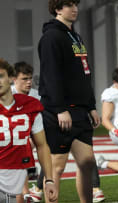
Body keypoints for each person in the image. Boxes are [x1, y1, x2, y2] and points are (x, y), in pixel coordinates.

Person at [38, 0, 101, 202]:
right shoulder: (51, 37)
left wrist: (90, 106)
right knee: (56, 166)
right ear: (57, 9)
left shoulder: (74, 36)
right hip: (60, 111)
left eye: (75, 4)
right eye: (68, 5)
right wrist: (59, 109)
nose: (74, 8)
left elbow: (85, 74)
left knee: (87, 161)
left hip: (80, 111)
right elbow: (51, 75)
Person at [0, 58, 58, 203]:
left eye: (1, 76)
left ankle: (28, 192)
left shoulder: (32, 104)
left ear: (9, 77)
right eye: (24, 78)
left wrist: (49, 180)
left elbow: (42, 145)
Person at [11, 61, 44, 202]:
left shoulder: (37, 96)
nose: (29, 82)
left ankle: (26, 193)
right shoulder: (6, 95)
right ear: (14, 79)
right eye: (24, 79)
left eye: (30, 78)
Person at [96, 68, 118, 173]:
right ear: (116, 81)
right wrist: (116, 131)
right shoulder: (111, 93)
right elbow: (105, 119)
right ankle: (102, 163)